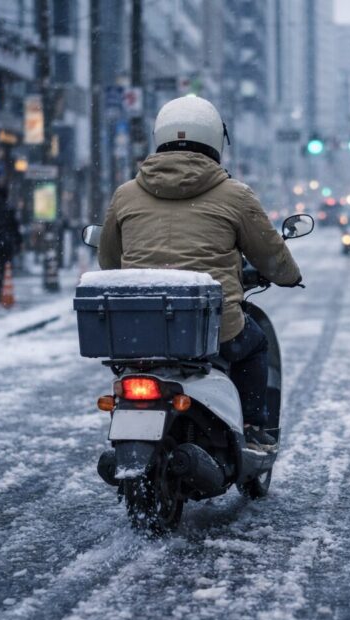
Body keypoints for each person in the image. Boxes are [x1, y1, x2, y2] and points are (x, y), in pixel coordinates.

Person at [98, 96, 302, 452]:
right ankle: (253, 427)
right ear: (215, 139)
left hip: (141, 329)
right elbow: (271, 255)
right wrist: (287, 275)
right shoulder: (235, 195)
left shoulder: (126, 194)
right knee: (256, 346)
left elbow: (109, 261)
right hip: (212, 327)